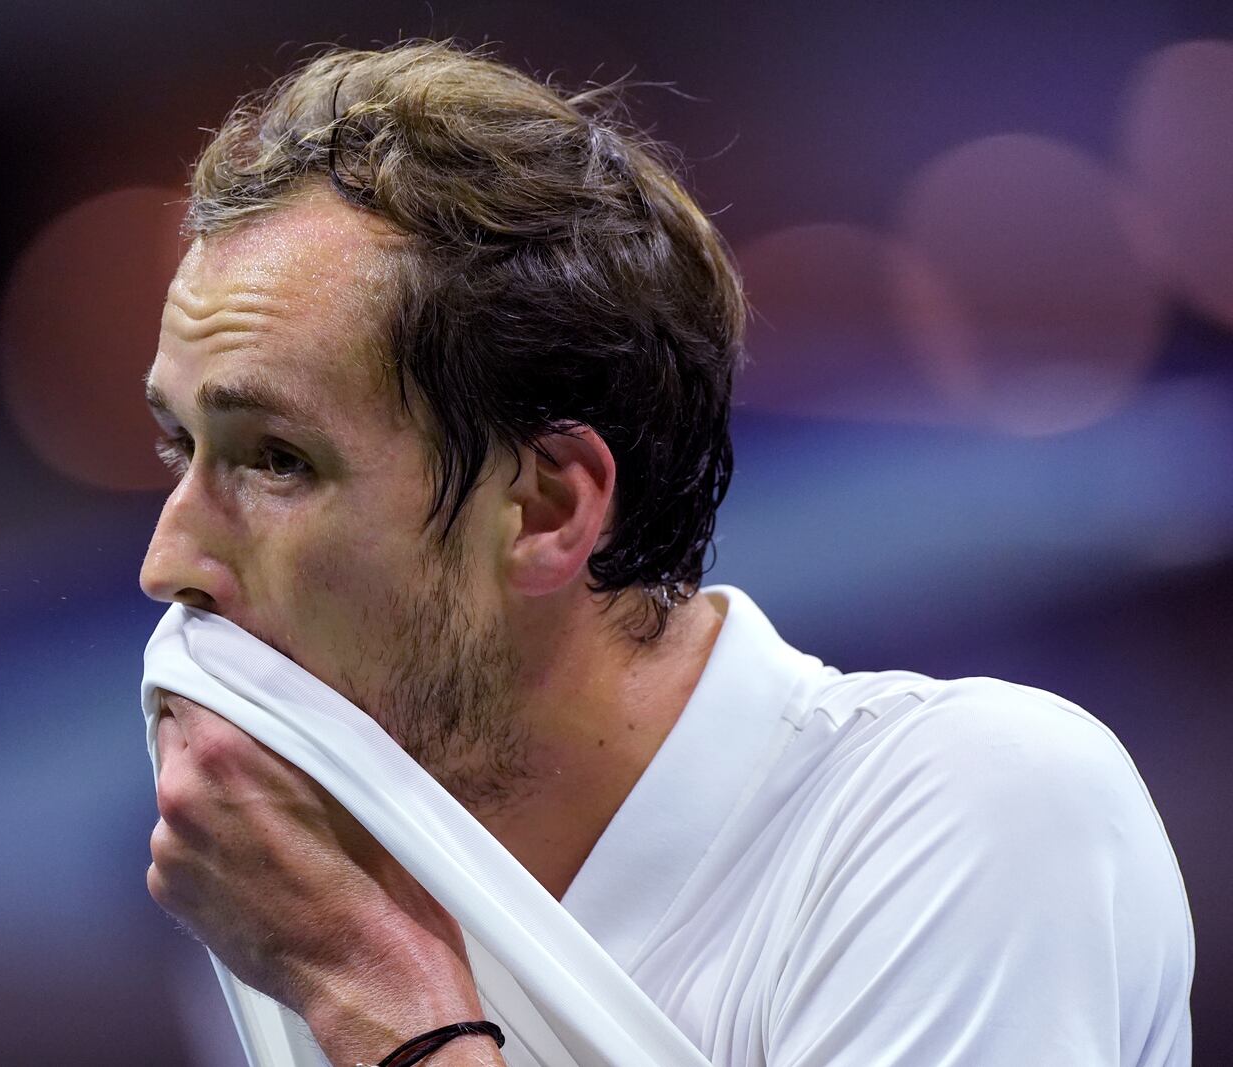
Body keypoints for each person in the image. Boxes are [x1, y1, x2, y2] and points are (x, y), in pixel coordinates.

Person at [138, 41, 1193, 1067]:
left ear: (548, 508)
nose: (167, 558)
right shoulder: (295, 900)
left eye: (276, 459)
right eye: (180, 445)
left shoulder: (976, 808)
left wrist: (377, 1000)